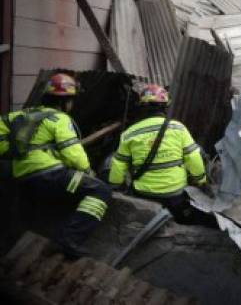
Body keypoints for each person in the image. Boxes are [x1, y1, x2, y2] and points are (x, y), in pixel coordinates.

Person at [0, 73, 111, 257]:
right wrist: (88, 172)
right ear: (66, 102)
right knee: (100, 191)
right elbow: (75, 156)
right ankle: (70, 239)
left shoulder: (17, 115)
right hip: (50, 175)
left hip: (21, 175)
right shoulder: (59, 119)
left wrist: (17, 155)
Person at [108, 84, 207, 221]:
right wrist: (200, 181)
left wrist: (116, 187)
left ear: (142, 107)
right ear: (165, 106)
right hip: (175, 194)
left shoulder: (129, 134)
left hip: (143, 195)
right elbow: (193, 157)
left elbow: (118, 166)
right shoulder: (178, 128)